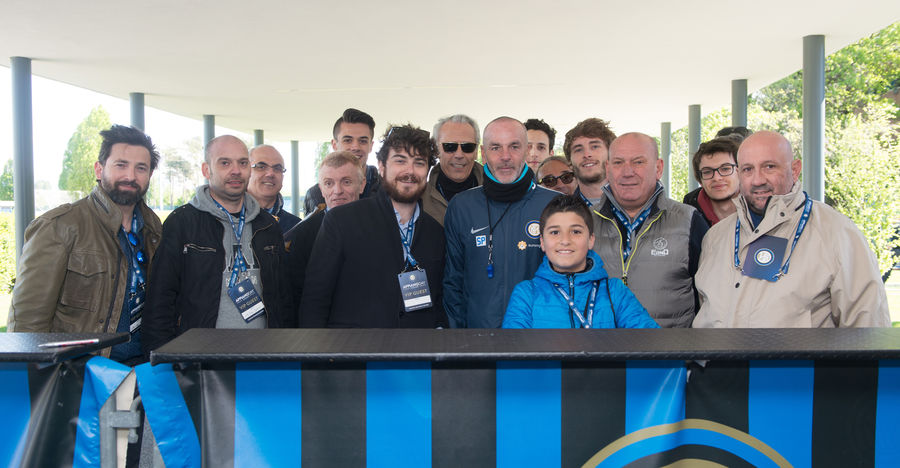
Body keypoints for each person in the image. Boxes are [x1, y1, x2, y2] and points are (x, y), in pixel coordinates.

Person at [693, 130, 890, 328]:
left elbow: (867, 326)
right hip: (719, 350)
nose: (757, 180)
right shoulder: (716, 237)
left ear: (795, 170)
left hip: (798, 351)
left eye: (769, 167)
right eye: (747, 169)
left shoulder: (836, 232)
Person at [8, 125, 162, 364]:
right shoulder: (59, 226)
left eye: (140, 168)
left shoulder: (154, 230)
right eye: (121, 165)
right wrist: (37, 375)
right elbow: (27, 322)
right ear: (99, 169)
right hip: (79, 372)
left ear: (149, 175)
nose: (130, 176)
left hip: (144, 369)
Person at [142, 135, 293, 355]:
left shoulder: (268, 226)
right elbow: (160, 301)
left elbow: (284, 300)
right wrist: (162, 360)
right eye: (225, 163)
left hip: (262, 356)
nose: (236, 170)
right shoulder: (182, 223)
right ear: (206, 170)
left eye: (243, 163)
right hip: (199, 358)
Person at [300, 125, 447, 328]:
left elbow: (438, 302)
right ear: (381, 166)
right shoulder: (342, 222)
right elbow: (315, 301)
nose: (410, 171)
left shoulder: (436, 233)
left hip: (416, 345)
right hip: (355, 346)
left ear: (427, 172)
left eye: (419, 163)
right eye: (400, 160)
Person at [443, 117, 558, 328]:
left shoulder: (555, 205)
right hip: (478, 339)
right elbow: (453, 283)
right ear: (483, 153)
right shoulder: (462, 206)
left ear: (526, 151)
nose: (505, 156)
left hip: (539, 337)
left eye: (514, 146)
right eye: (496, 148)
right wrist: (458, 339)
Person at [591, 132, 708, 328]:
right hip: (600, 346)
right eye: (618, 163)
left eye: (638, 162)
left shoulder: (689, 221)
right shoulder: (584, 223)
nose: (628, 172)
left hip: (668, 347)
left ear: (658, 168)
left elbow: (710, 301)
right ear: (607, 169)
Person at [503, 195, 659, 329]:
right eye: (555, 232)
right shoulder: (526, 294)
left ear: (591, 239)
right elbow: (513, 351)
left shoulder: (615, 291)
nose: (565, 240)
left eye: (576, 231)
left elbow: (651, 345)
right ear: (542, 242)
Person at [283, 151, 365, 311]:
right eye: (329, 183)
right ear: (321, 189)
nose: (337, 190)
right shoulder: (302, 234)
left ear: (362, 185)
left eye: (346, 182)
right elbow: (298, 294)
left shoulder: (379, 227)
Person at [303, 108, 381, 215]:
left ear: (371, 146)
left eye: (363, 141)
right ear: (334, 145)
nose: (355, 147)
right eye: (347, 140)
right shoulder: (314, 195)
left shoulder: (387, 191)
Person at [422, 114, 484, 225]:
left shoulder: (497, 193)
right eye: (449, 147)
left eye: (467, 147)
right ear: (436, 150)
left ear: (476, 152)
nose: (459, 155)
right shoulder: (419, 199)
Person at [681, 136, 742, 225]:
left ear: (740, 172)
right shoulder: (687, 216)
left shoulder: (760, 208)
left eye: (725, 169)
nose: (716, 178)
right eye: (707, 172)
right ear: (700, 180)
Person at [248, 144, 301, 234]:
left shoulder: (296, 227)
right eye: (261, 167)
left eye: (277, 168)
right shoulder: (226, 220)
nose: (270, 174)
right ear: (246, 172)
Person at [563, 118, 616, 206]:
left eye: (595, 147)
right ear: (570, 163)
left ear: (611, 154)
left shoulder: (635, 202)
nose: (587, 154)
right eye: (578, 150)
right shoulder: (561, 210)